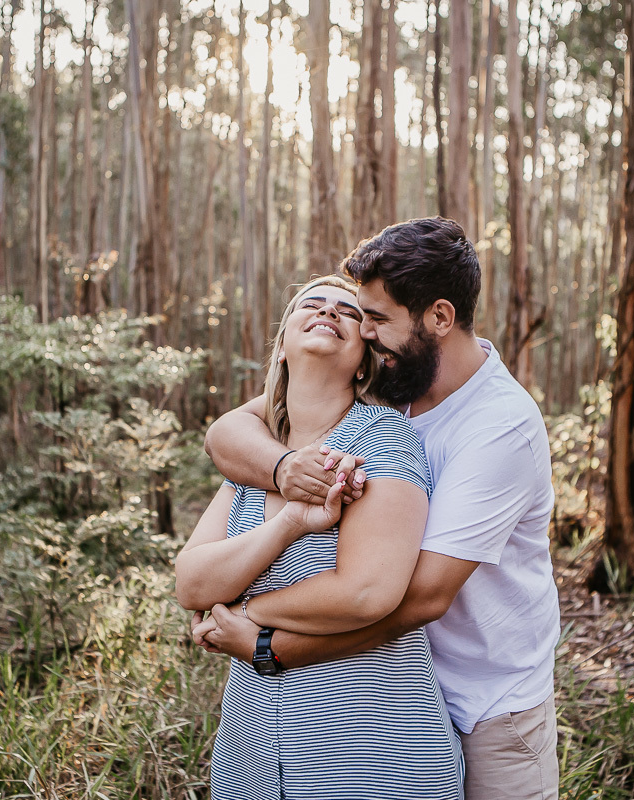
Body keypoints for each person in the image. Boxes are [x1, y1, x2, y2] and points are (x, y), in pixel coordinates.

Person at [197, 217, 562, 800]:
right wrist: (283, 469)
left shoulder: (500, 427)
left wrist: (261, 637)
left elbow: (417, 598)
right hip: (390, 683)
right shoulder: (392, 381)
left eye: (378, 319)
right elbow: (228, 431)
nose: (363, 332)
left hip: (488, 705)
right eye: (359, 315)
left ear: (440, 318)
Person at [175, 275, 464, 800]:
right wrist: (288, 523)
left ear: (362, 361)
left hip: (371, 751)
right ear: (282, 346)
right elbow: (191, 583)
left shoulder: (382, 436)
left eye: (349, 313)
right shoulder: (255, 458)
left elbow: (365, 592)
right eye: (312, 304)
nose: (329, 312)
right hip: (253, 750)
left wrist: (244, 616)